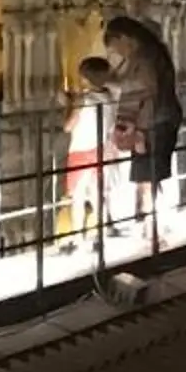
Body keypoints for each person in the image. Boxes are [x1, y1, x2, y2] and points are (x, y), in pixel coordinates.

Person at [103, 14, 186, 234]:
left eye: (116, 47)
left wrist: (113, 83)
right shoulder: (154, 51)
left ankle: (153, 225)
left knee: (148, 173)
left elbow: (146, 86)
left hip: (151, 121)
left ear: (124, 38)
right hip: (160, 117)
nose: (118, 53)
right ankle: (156, 221)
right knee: (152, 173)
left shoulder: (144, 57)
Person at [62, 55, 113, 248]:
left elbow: (68, 126)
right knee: (96, 193)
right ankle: (101, 232)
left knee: (78, 196)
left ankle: (78, 238)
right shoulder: (107, 96)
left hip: (80, 150)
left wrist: (70, 103)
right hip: (99, 148)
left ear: (85, 78)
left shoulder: (83, 100)